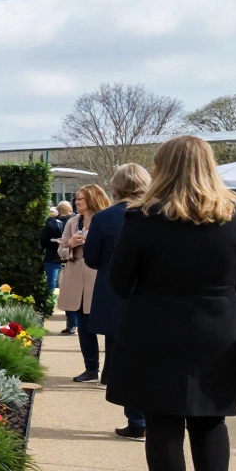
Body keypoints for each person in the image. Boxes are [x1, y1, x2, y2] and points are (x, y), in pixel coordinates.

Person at [104, 135, 236, 471]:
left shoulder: (143, 217)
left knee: (164, 425)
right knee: (211, 421)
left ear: (163, 167)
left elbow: (119, 281)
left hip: (157, 326)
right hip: (220, 329)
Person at [84, 164, 151, 440]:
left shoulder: (105, 218)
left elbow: (92, 258)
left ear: (116, 186)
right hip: (154, 296)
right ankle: (151, 416)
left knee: (124, 359)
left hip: (115, 294)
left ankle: (137, 419)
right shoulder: (162, 212)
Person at [58, 185, 110, 380]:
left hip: (98, 278)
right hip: (76, 279)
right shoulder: (72, 221)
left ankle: (109, 371)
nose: (77, 202)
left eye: (81, 198)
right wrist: (70, 245)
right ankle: (91, 368)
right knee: (83, 325)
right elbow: (61, 251)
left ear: (92, 198)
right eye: (76, 198)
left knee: (106, 325)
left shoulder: (104, 219)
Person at [47, 201, 77, 334]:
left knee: (58, 287)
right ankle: (73, 324)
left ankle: (72, 324)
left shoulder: (55, 222)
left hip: (66, 260)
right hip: (71, 260)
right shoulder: (73, 221)